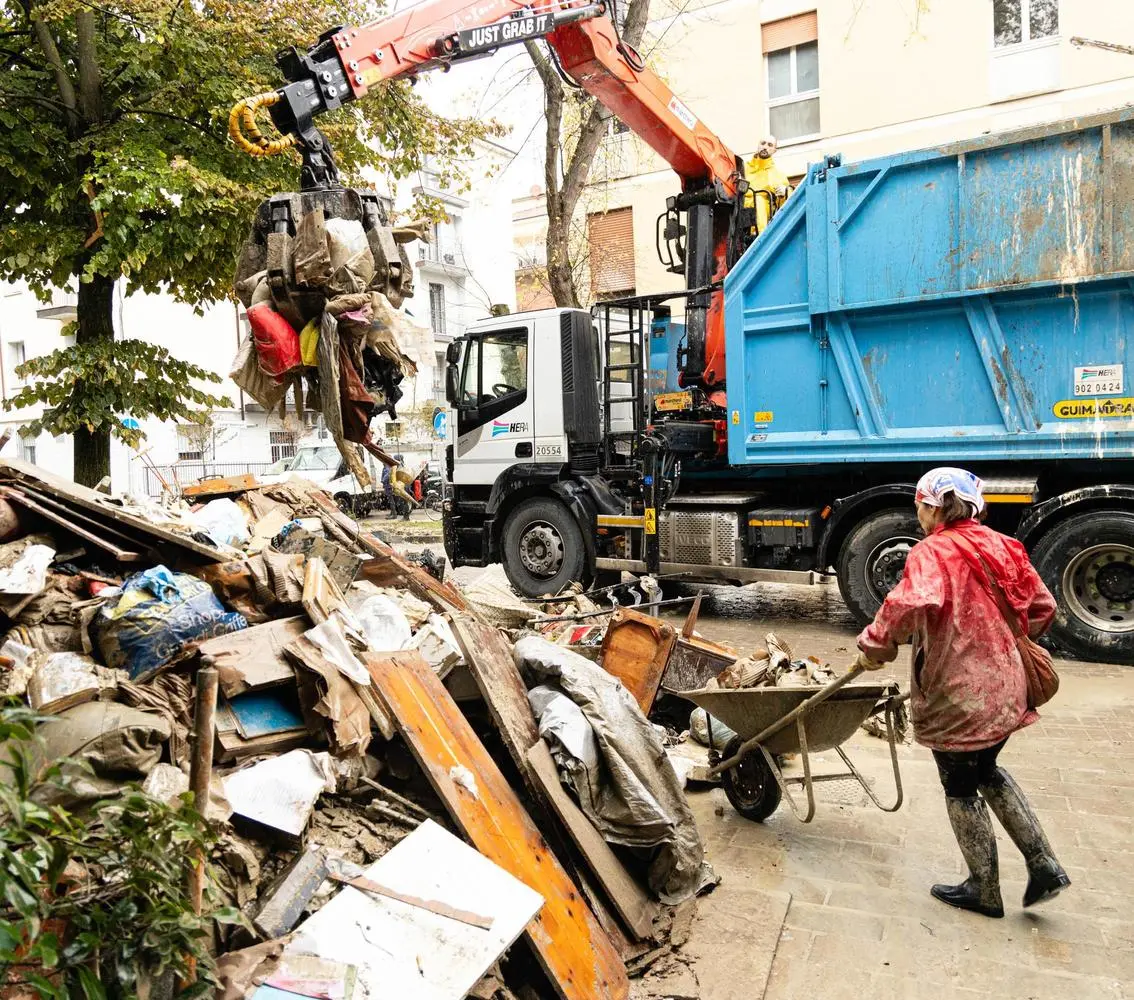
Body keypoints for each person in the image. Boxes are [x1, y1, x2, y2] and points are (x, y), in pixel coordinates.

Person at [854, 467, 1070, 918]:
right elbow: (1043, 607)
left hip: (958, 693)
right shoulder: (1003, 544)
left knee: (959, 785)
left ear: (933, 507)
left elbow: (906, 605)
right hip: (1008, 685)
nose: (918, 514)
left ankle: (984, 888)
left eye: (919, 505)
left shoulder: (931, 553)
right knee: (987, 767)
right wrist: (998, 639)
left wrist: (876, 644)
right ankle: (1044, 864)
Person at [743, 135, 792, 234]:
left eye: (770, 145)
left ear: (774, 150)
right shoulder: (744, 168)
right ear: (758, 145)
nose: (765, 147)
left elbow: (786, 203)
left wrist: (785, 191)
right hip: (741, 209)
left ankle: (760, 236)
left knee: (759, 200)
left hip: (762, 215)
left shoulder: (778, 175)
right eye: (763, 143)